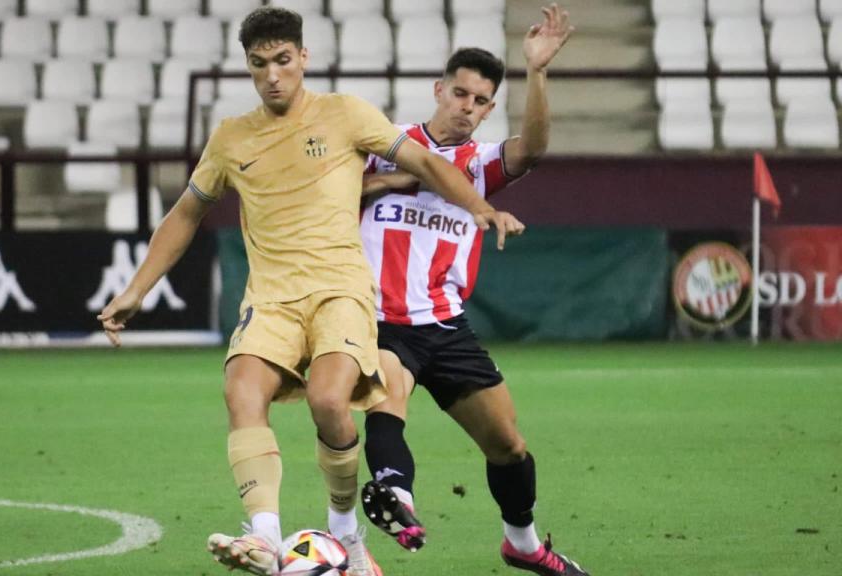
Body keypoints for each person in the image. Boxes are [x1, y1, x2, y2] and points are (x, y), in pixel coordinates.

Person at [97, 6, 522, 576]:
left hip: (340, 291)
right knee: (240, 390)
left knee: (329, 402)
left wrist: (479, 207)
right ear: (247, 67)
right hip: (270, 297)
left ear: (303, 58)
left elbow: (425, 160)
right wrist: (135, 290)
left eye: (281, 60)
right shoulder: (231, 138)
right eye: (258, 64)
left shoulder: (344, 115)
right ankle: (265, 537)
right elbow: (185, 213)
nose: (272, 74)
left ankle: (344, 532)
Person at [357, 5, 590, 576]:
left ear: (489, 109)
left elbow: (531, 149)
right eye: (460, 93)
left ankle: (524, 544)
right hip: (380, 319)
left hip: (445, 324)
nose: (468, 107)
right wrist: (394, 178)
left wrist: (536, 71)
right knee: (388, 400)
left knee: (509, 445)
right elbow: (333, 192)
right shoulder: (381, 144)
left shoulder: (479, 164)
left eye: (481, 100)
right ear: (439, 90)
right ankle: (398, 500)